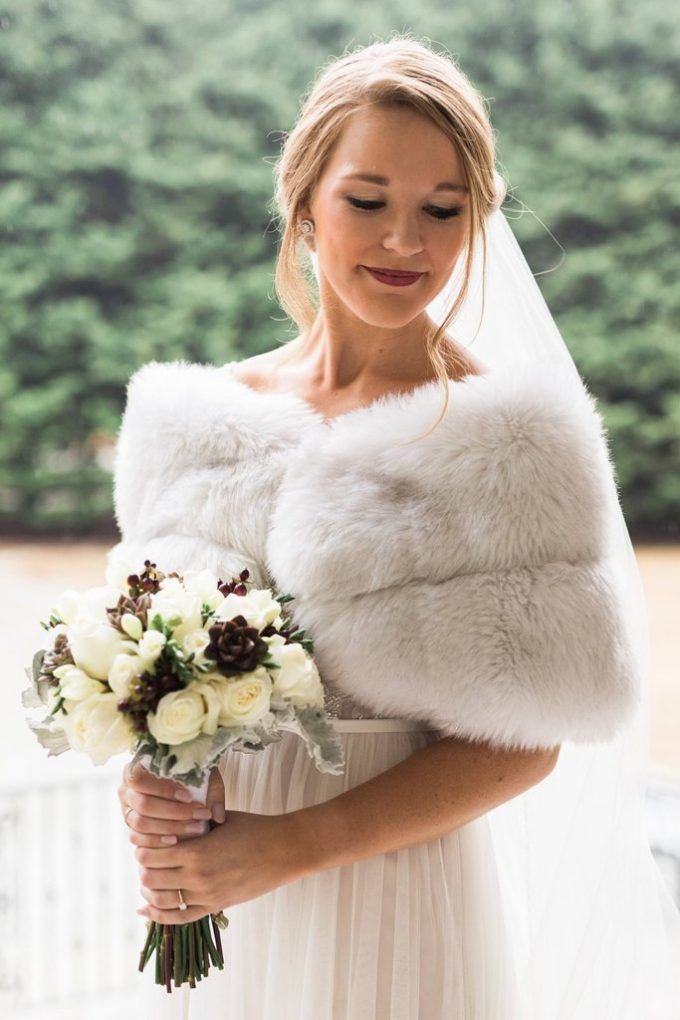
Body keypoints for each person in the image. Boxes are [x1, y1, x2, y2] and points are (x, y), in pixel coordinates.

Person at [111, 35, 680, 1020]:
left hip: (392, 903)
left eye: (440, 210)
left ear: (478, 220)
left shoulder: (513, 442)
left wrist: (285, 848)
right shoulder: (189, 427)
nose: (404, 243)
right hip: (215, 904)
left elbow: (524, 744)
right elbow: (140, 670)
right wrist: (146, 784)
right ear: (302, 204)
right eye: (366, 201)